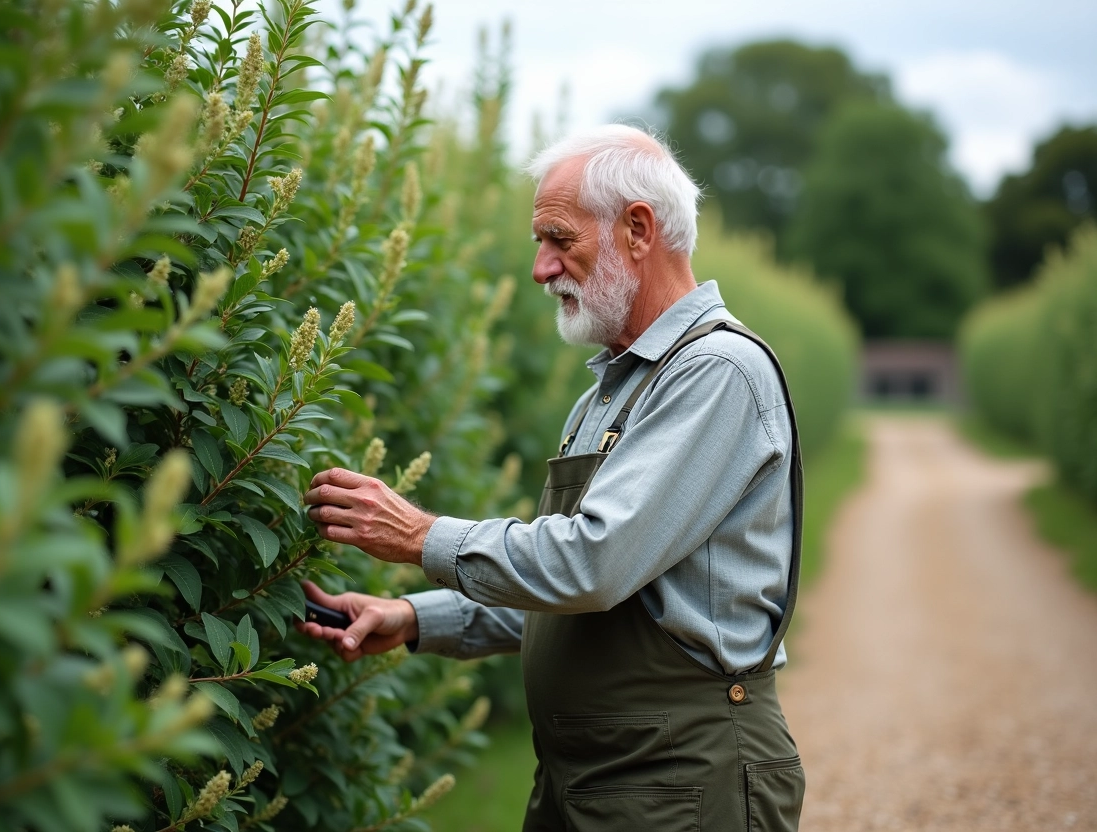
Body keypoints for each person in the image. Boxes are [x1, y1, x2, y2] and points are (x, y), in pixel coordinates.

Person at [300, 124, 805, 831]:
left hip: (683, 781)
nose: (541, 269)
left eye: (559, 239)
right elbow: (593, 595)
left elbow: (593, 565)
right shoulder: (612, 391)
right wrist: (416, 617)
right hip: (595, 778)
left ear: (637, 229)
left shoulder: (715, 373)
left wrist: (419, 535)